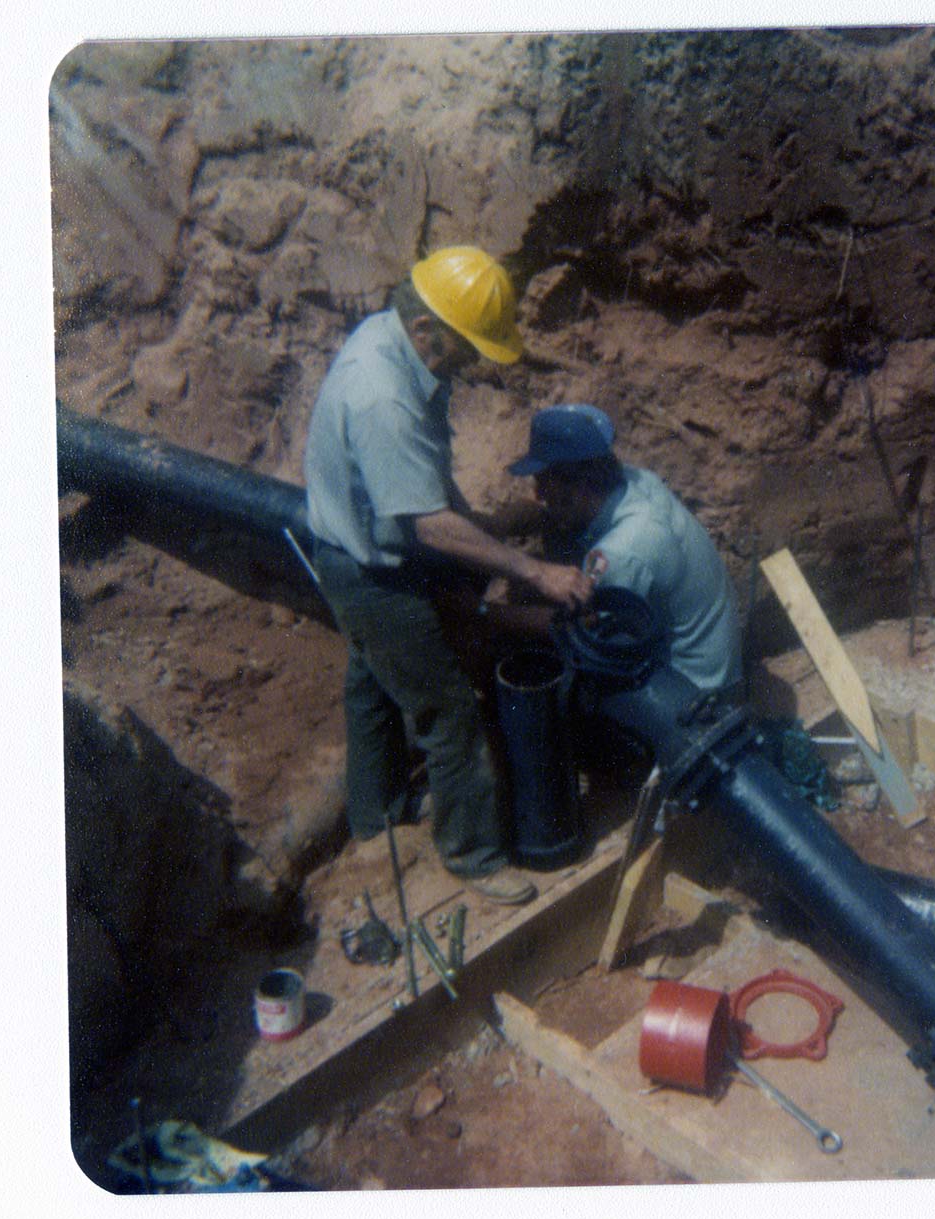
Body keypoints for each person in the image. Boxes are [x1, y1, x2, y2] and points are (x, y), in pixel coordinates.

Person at [303, 247, 593, 905]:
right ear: (427, 329)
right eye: (464, 348)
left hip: (354, 547)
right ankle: (473, 855)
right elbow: (426, 524)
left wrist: (485, 523)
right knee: (450, 710)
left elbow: (421, 477)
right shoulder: (382, 394)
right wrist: (533, 569)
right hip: (373, 571)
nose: (468, 364)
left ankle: (377, 816)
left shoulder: (392, 344)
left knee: (372, 684)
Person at [505, 403, 743, 693]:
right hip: (717, 665)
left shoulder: (620, 554)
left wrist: (484, 614)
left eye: (544, 482)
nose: (537, 493)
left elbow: (589, 635)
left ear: (580, 487)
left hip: (696, 695)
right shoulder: (636, 481)